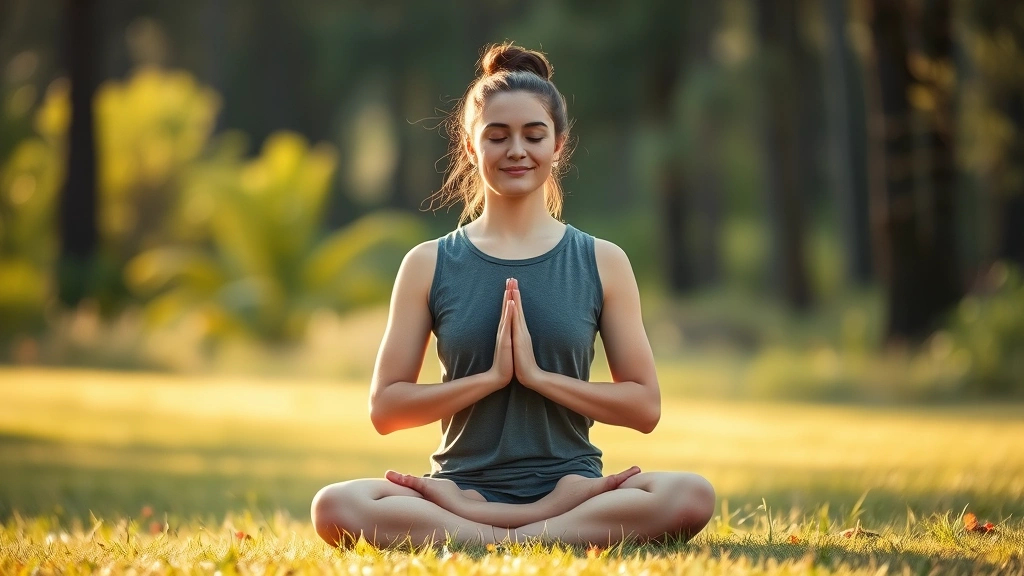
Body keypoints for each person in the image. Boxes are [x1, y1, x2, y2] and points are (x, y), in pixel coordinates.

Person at [310, 42, 715, 549]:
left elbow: (644, 406)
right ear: (470, 146)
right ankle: (537, 532)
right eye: (497, 137)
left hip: (573, 491)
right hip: (459, 489)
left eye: (534, 135)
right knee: (334, 505)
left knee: (690, 494)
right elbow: (387, 409)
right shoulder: (428, 263)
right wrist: (491, 379)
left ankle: (487, 534)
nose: (517, 151)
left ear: (559, 144)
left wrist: (539, 378)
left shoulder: (602, 261)